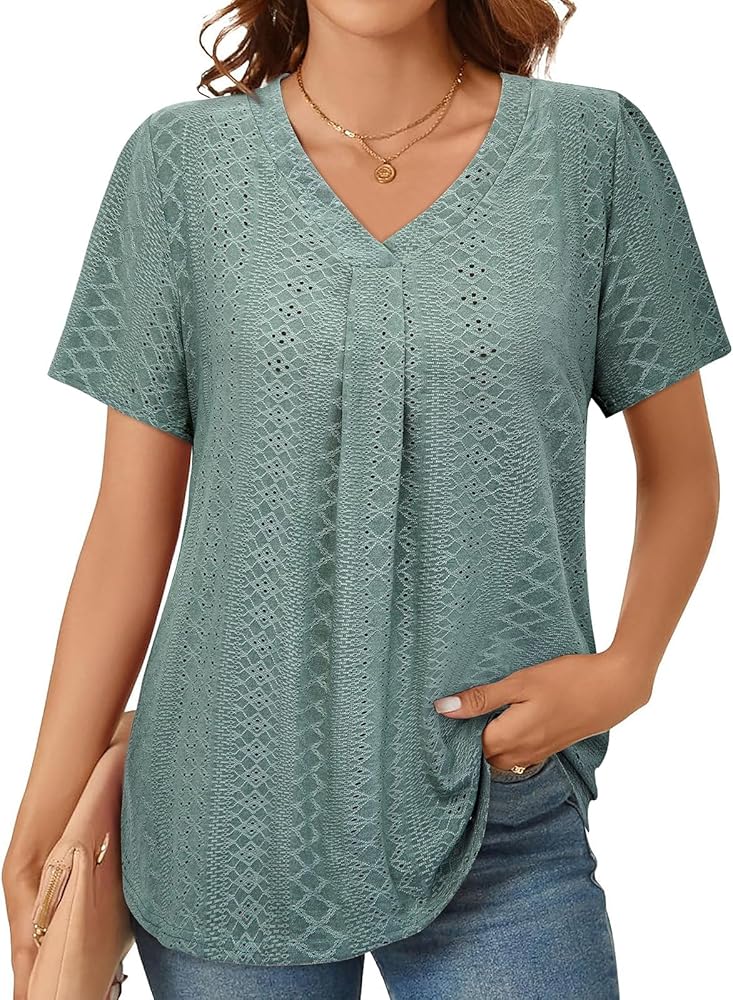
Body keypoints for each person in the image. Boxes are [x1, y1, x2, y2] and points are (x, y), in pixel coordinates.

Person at [4, 1, 731, 997]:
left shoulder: (592, 153)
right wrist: (39, 816)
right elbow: (129, 528)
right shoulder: (180, 168)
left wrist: (629, 669)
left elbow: (683, 470)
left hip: (496, 803)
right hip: (226, 812)